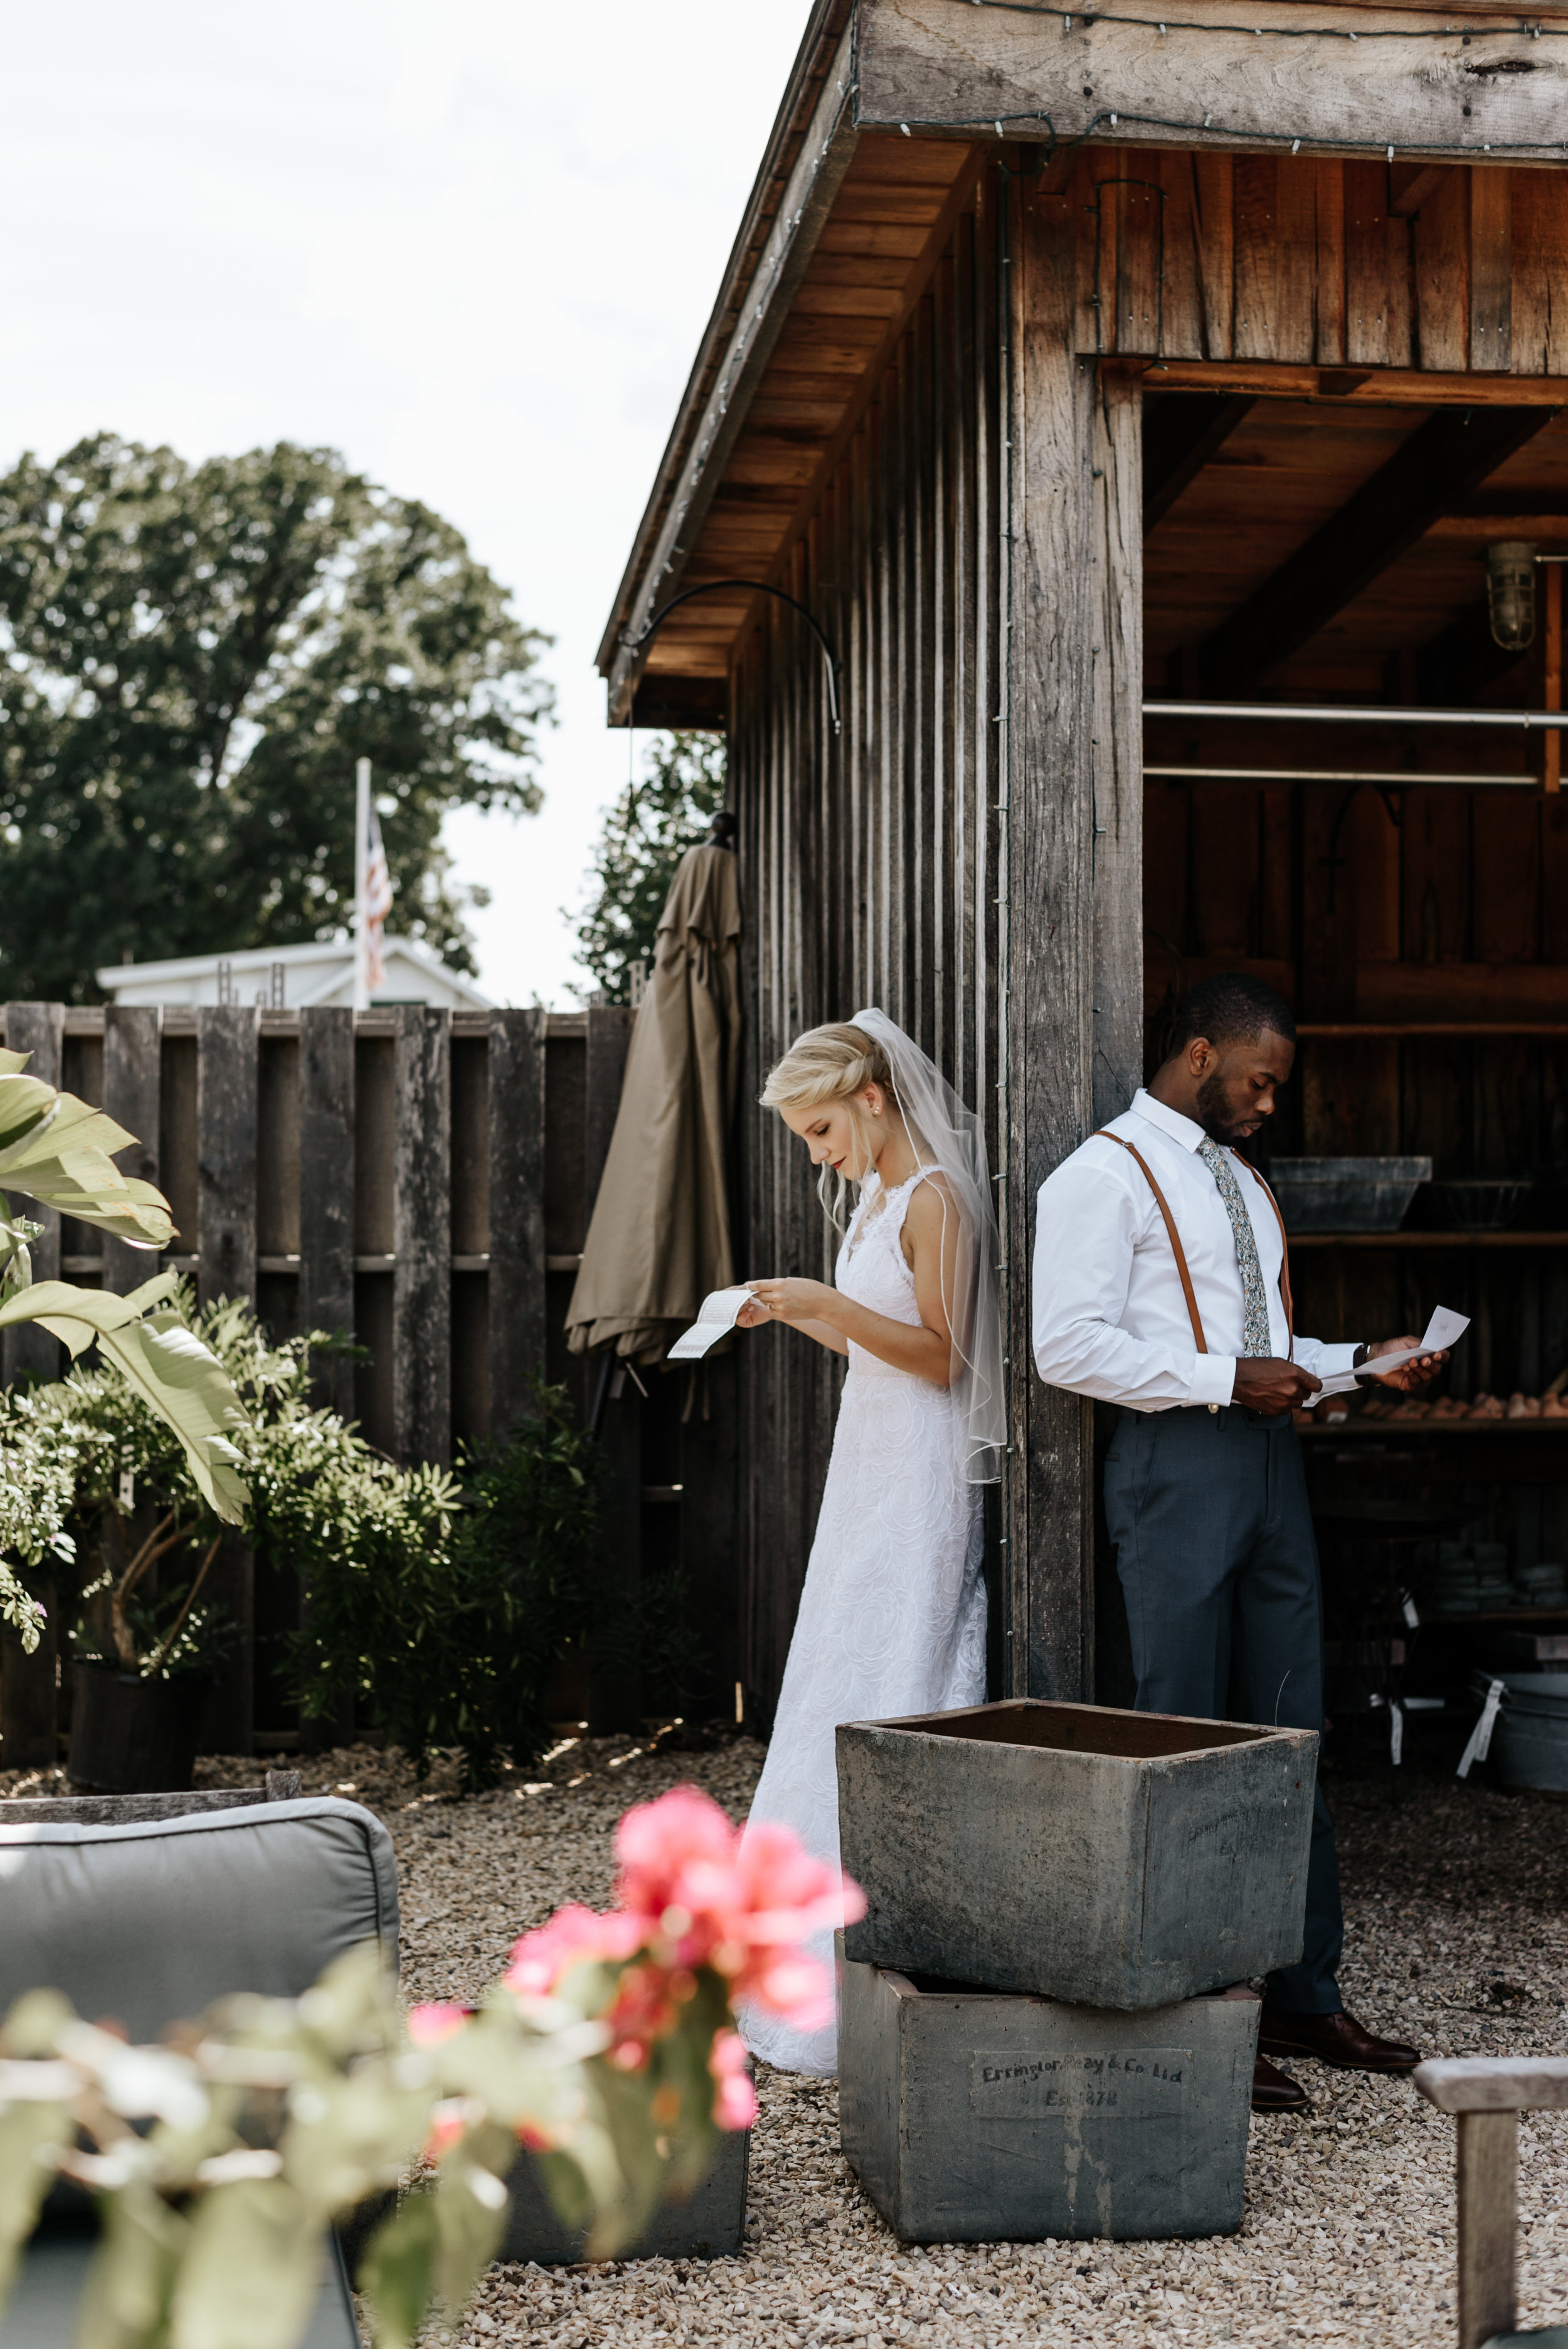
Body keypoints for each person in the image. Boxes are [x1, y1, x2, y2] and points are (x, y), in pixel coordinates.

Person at [1032, 972, 1448, 2116]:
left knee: (1291, 1728)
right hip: (1174, 1470)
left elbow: (1259, 1340)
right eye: (1263, 1081)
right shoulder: (1099, 1175)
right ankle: (1202, 2006)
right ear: (1204, 1054)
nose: (1272, 1103)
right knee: (1187, 1738)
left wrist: (1360, 1352)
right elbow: (1064, 1345)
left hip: (1271, 1467)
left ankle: (1303, 1993)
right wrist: (1227, 1379)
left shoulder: (1246, 1184)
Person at [733, 1010, 1004, 2074]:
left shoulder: (938, 1197)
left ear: (874, 1097)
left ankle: (891, 1964)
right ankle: (782, 1960)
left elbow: (942, 1356)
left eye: (821, 1130)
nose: (817, 1152)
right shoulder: (879, 1194)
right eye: (806, 1136)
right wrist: (787, 1309)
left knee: (898, 1675)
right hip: (867, 1465)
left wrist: (824, 1299)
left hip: (923, 1472)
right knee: (831, 1673)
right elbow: (863, 1337)